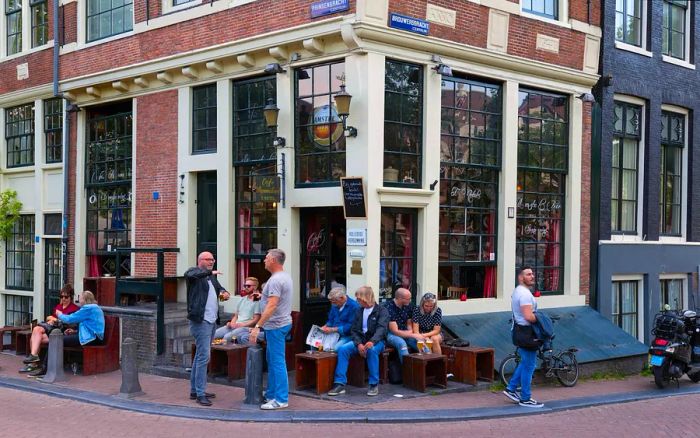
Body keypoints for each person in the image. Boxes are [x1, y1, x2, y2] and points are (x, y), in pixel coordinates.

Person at [185, 251, 230, 406]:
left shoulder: (210, 277)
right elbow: (191, 274)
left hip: (211, 320)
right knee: (204, 357)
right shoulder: (194, 274)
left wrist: (224, 293)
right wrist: (209, 272)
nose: (212, 261)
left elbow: (219, 288)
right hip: (200, 321)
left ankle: (194, 390)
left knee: (200, 356)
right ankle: (200, 393)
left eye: (213, 259)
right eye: (209, 259)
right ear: (200, 260)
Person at [250, 249, 292, 410]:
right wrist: (263, 297)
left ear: (274, 260)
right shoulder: (284, 276)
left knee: (277, 362)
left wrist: (257, 326)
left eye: (267, 258)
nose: (264, 261)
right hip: (280, 323)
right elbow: (274, 299)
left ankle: (281, 399)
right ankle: (271, 394)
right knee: (272, 360)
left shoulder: (275, 280)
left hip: (275, 325)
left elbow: (272, 305)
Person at [328, 286, 389, 397]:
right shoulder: (359, 310)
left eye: (359, 299)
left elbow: (381, 329)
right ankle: (340, 383)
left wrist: (372, 342)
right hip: (361, 341)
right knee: (343, 349)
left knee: (372, 350)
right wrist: (359, 343)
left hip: (377, 342)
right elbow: (354, 330)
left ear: (366, 298)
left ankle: (373, 384)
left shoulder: (382, 311)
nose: (357, 301)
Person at [503, 266, 544, 408]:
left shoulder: (517, 292)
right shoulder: (525, 294)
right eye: (528, 274)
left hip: (519, 331)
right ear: (521, 277)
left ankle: (511, 388)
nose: (532, 276)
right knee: (529, 365)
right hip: (526, 332)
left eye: (532, 274)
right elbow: (528, 316)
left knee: (525, 362)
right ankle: (525, 398)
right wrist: (541, 319)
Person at [21, 284, 80, 371]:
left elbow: (73, 323)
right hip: (51, 329)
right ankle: (33, 358)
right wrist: (53, 319)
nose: (63, 299)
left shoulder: (74, 308)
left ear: (70, 297)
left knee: (35, 337)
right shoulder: (58, 306)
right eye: (61, 296)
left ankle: (33, 364)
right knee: (36, 330)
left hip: (60, 332)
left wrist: (59, 320)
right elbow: (48, 317)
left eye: (66, 297)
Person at [214, 277, 261, 343]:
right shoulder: (242, 299)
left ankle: (223, 352)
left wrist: (242, 324)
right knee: (214, 335)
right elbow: (236, 315)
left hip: (246, 327)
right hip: (236, 325)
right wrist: (232, 323)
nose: (246, 287)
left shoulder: (257, 301)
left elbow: (256, 319)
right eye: (245, 286)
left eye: (248, 286)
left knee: (226, 338)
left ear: (255, 287)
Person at [383, 287, 420, 362]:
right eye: (408, 299)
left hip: (405, 331)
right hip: (390, 333)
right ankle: (407, 370)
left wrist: (410, 332)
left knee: (421, 342)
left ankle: (426, 367)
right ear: (399, 298)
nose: (410, 301)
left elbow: (409, 323)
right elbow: (395, 331)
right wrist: (411, 335)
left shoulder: (408, 306)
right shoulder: (388, 307)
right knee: (401, 343)